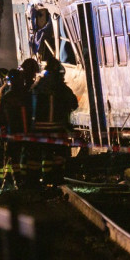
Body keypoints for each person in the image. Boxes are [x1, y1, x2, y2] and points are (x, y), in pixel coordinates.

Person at [30, 54, 78, 187]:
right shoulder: (62, 88)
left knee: (45, 156)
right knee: (59, 155)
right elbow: (74, 104)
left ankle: (45, 179)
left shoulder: (36, 87)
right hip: (58, 128)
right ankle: (57, 179)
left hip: (39, 130)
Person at [0, 69, 31, 190]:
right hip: (26, 133)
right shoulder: (27, 95)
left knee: (14, 159)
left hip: (12, 134)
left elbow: (1, 118)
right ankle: (24, 181)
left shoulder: (6, 98)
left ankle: (16, 181)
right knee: (24, 158)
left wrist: (3, 133)